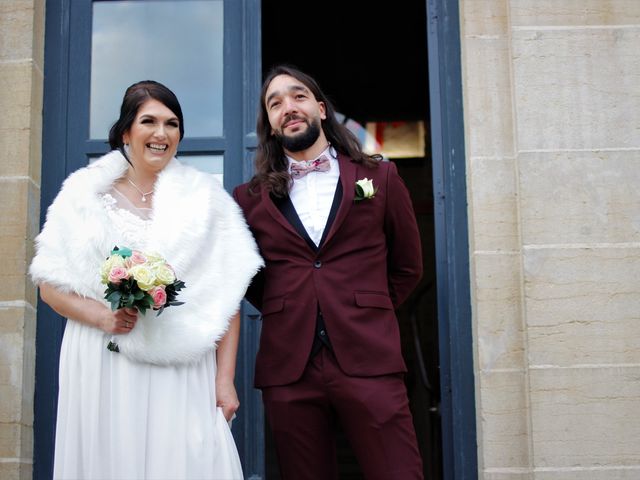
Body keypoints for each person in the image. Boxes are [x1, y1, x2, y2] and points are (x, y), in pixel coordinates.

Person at [30, 80, 263, 480]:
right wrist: (103, 317)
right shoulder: (82, 196)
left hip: (181, 364)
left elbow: (227, 300)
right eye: (149, 121)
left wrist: (224, 381)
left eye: (172, 124)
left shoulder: (206, 200)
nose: (161, 134)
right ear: (126, 131)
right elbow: (49, 286)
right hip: (102, 358)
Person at [233, 65, 424, 479]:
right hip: (289, 366)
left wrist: (365, 310)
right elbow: (248, 276)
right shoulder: (247, 200)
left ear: (320, 108)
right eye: (275, 102)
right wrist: (291, 308)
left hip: (369, 356)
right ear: (269, 122)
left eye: (298, 96)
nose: (288, 107)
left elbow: (408, 266)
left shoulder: (380, 177)